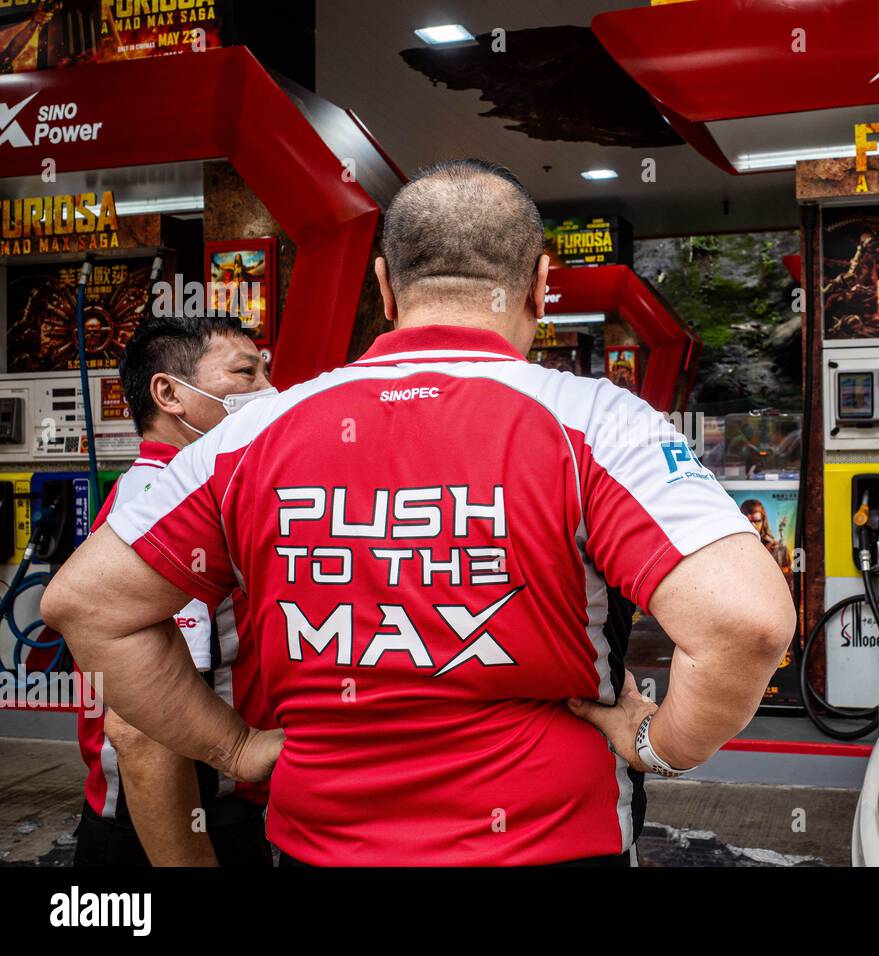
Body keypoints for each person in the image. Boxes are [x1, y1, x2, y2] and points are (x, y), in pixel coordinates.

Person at [43, 159, 794, 867]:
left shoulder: (248, 435)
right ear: (540, 285)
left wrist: (233, 748)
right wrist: (662, 743)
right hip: (552, 838)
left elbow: (89, 607)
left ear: (385, 288)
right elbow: (745, 623)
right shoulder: (597, 420)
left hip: (319, 843)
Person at [73, 314, 277, 867]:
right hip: (176, 827)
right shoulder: (166, 504)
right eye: (245, 374)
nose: (267, 392)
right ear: (169, 394)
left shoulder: (183, 490)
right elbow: (140, 727)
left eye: (266, 373)